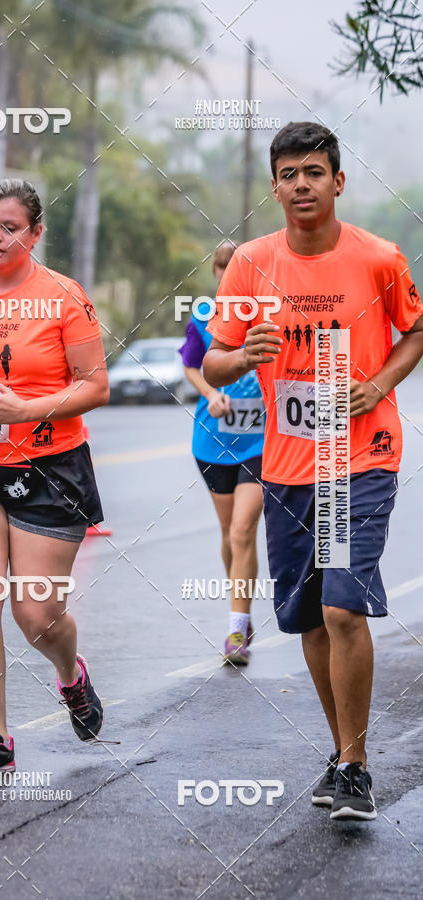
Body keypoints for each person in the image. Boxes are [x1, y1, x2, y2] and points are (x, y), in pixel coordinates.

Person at [203, 122, 423, 821]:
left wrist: (380, 382)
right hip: (290, 463)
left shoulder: (379, 258)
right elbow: (213, 360)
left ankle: (355, 764)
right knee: (308, 621)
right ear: (274, 186)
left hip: (359, 456)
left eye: (314, 172)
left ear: (338, 182)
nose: (302, 184)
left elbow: (416, 328)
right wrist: (241, 358)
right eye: (289, 173)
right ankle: (341, 751)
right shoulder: (250, 265)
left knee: (341, 603)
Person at [0, 178, 109, 779]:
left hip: (49, 470)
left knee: (37, 615)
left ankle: (70, 676)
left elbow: (95, 386)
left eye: (10, 227)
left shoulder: (62, 297)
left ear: (35, 234)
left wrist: (26, 411)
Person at [179, 242, 264, 664]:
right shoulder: (203, 316)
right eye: (222, 267)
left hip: (261, 441)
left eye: (237, 267)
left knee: (243, 531)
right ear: (215, 272)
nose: (228, 273)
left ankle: (236, 630)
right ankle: (241, 611)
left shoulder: (268, 313)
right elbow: (192, 365)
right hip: (212, 440)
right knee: (229, 535)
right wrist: (211, 393)